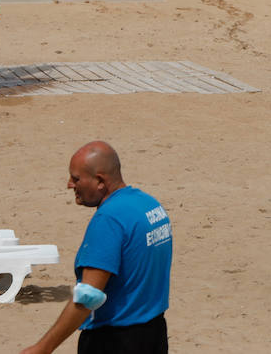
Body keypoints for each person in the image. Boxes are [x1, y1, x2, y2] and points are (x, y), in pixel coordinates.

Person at [20, 141, 173, 354]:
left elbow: (88, 296)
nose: (69, 185)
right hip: (154, 332)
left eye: (76, 179)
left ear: (100, 181)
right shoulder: (150, 206)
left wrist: (43, 348)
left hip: (115, 340)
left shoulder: (109, 220)